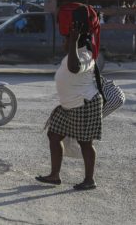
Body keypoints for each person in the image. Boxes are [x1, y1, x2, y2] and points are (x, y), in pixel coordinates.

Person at [36, 25, 102, 190]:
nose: (62, 43)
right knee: (54, 135)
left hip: (84, 104)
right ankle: (54, 176)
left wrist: (73, 41)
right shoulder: (71, 55)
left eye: (65, 40)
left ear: (75, 41)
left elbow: (74, 68)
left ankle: (89, 180)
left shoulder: (86, 56)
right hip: (68, 106)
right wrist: (72, 43)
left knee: (85, 142)